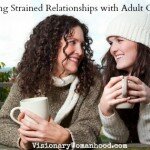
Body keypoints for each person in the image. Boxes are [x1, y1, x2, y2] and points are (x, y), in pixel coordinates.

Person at [0, 15, 102, 149]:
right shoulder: (27, 78)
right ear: (52, 44)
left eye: (82, 45)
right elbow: (3, 122)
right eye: (72, 42)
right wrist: (22, 141)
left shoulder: (91, 81)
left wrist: (66, 137)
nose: (80, 51)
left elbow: (90, 127)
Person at [98, 12, 150, 144]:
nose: (113, 49)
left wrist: (148, 103)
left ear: (143, 43)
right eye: (111, 43)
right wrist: (106, 111)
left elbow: (146, 142)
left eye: (120, 40)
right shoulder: (112, 80)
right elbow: (121, 141)